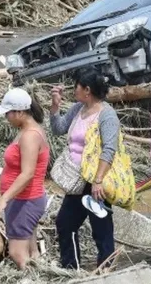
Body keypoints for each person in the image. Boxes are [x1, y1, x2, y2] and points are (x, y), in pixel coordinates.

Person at [51, 68, 120, 270]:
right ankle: (71, 269)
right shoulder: (78, 109)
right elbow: (58, 129)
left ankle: (106, 270)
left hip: (96, 182)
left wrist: (98, 180)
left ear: (87, 90)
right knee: (65, 224)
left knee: (101, 229)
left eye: (76, 87)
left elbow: (109, 148)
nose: (74, 91)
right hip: (77, 180)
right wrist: (55, 108)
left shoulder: (107, 115)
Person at [0, 88, 50, 269]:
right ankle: (40, 282)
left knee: (17, 254)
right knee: (32, 253)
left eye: (8, 113)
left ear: (20, 112)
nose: (6, 117)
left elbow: (27, 173)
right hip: (25, 200)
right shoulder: (26, 130)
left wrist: (4, 199)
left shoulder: (30, 136)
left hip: (25, 201)